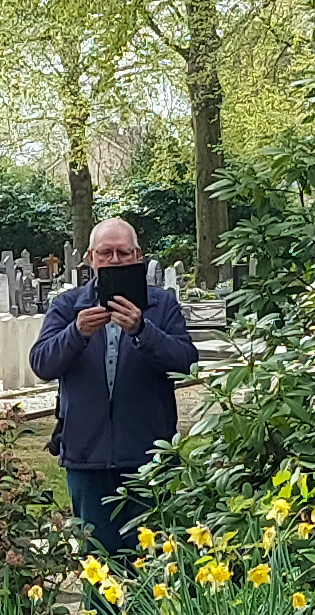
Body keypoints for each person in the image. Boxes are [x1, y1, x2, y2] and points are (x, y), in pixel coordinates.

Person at [28, 217, 198, 557]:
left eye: (123, 252)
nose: (115, 260)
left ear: (138, 256)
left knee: (151, 564)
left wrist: (143, 331)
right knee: (98, 564)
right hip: (86, 457)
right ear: (91, 257)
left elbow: (187, 362)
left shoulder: (160, 305)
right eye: (106, 253)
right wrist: (75, 333)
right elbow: (41, 363)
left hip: (148, 456)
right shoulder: (68, 306)